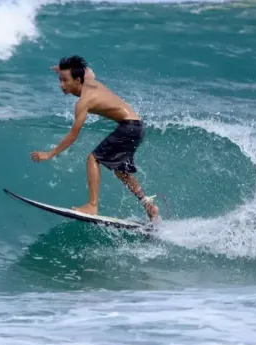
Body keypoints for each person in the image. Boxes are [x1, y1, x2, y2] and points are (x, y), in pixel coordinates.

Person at [31, 55, 160, 224]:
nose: (61, 85)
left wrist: (50, 154)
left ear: (77, 80)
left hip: (129, 127)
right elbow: (88, 71)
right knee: (121, 170)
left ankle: (92, 205)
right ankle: (148, 205)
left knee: (93, 158)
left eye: (65, 80)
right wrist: (63, 69)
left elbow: (73, 135)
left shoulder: (84, 101)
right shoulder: (88, 79)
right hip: (136, 127)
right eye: (59, 80)